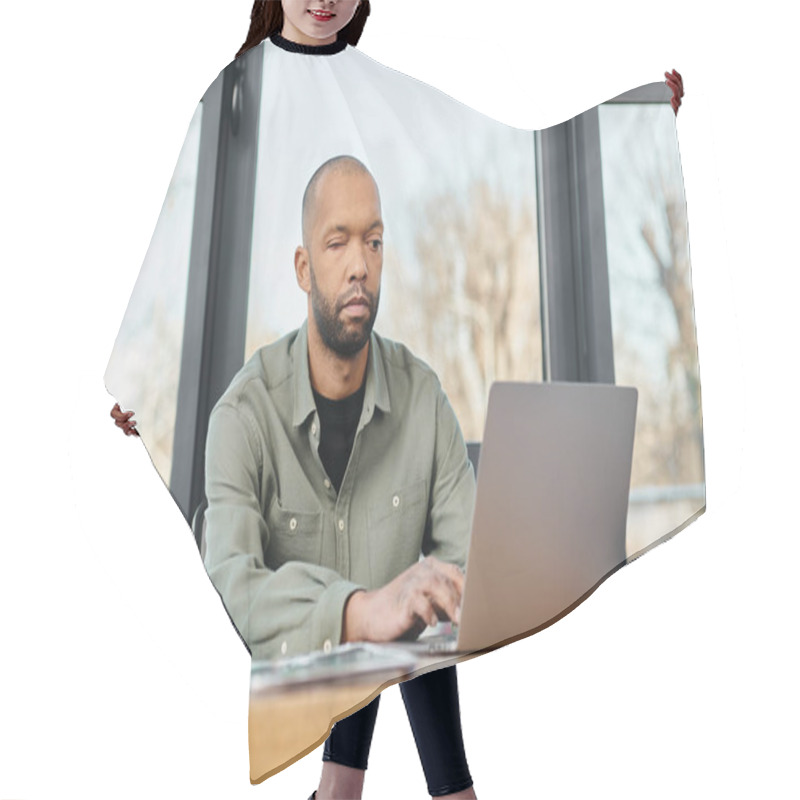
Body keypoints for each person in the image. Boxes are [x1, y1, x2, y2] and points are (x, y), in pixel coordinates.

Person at [109, 0, 685, 438]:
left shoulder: (381, 91)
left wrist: (642, 109)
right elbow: (178, 236)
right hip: (258, 387)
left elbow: (502, 147)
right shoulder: (236, 92)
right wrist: (130, 385)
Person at [205, 154, 476, 799]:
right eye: (338, 242)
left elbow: (468, 573)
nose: (361, 264)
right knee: (379, 601)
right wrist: (358, 611)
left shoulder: (423, 400)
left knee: (419, 595)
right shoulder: (243, 417)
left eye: (374, 242)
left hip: (365, 720)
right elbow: (229, 592)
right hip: (262, 736)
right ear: (304, 268)